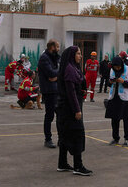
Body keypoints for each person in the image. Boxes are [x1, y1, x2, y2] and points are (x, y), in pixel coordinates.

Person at [56, 46, 91, 176]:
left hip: (66, 107)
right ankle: (78, 166)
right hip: (70, 108)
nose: (80, 56)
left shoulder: (72, 68)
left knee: (64, 135)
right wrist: (77, 110)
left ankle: (62, 163)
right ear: (71, 55)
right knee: (77, 135)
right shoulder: (70, 70)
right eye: (78, 53)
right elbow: (70, 93)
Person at [105, 55, 128, 146]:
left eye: (118, 67)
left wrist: (123, 82)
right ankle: (115, 138)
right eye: (115, 67)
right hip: (114, 98)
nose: (117, 69)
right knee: (114, 120)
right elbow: (108, 83)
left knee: (126, 119)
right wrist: (110, 82)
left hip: (124, 99)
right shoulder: (112, 70)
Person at [38, 39, 60, 148]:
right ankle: (48, 139)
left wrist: (57, 76)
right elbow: (51, 73)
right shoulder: (44, 58)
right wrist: (57, 74)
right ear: (52, 47)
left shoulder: (55, 57)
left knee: (60, 115)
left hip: (57, 89)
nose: (59, 49)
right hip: (49, 91)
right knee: (49, 115)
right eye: (57, 46)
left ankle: (61, 138)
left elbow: (60, 70)